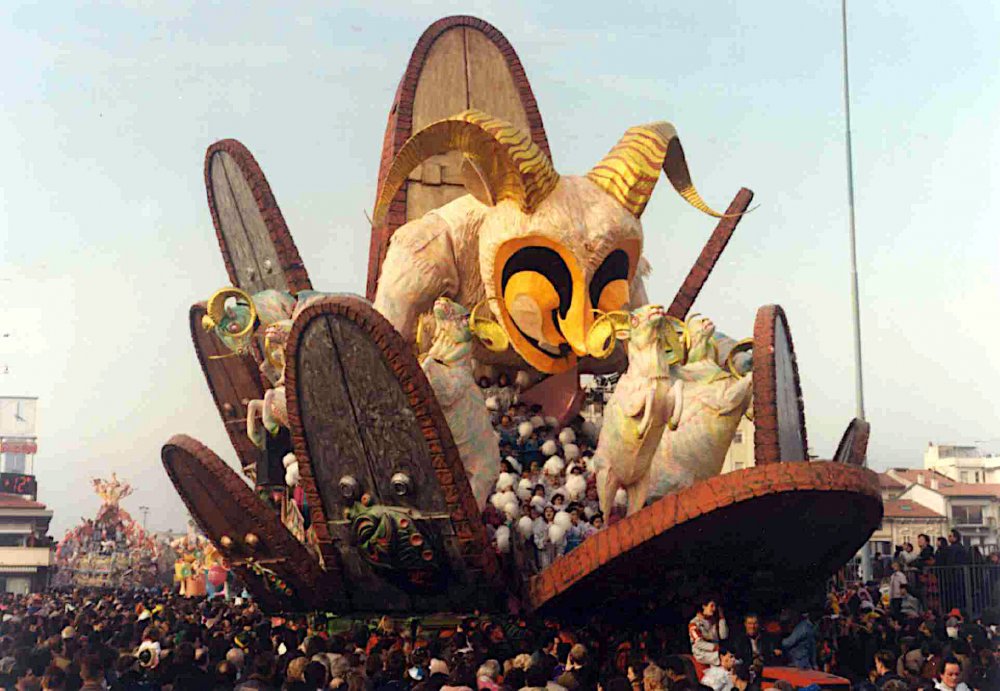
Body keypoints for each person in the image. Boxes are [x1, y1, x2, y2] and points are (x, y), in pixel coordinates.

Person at [689, 598, 729, 666]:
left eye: (715, 606)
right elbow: (698, 643)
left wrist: (722, 618)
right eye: (712, 606)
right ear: (704, 606)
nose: (714, 609)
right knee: (727, 659)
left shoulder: (713, 621)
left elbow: (723, 636)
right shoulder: (694, 623)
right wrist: (716, 647)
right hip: (702, 653)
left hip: (716, 652)